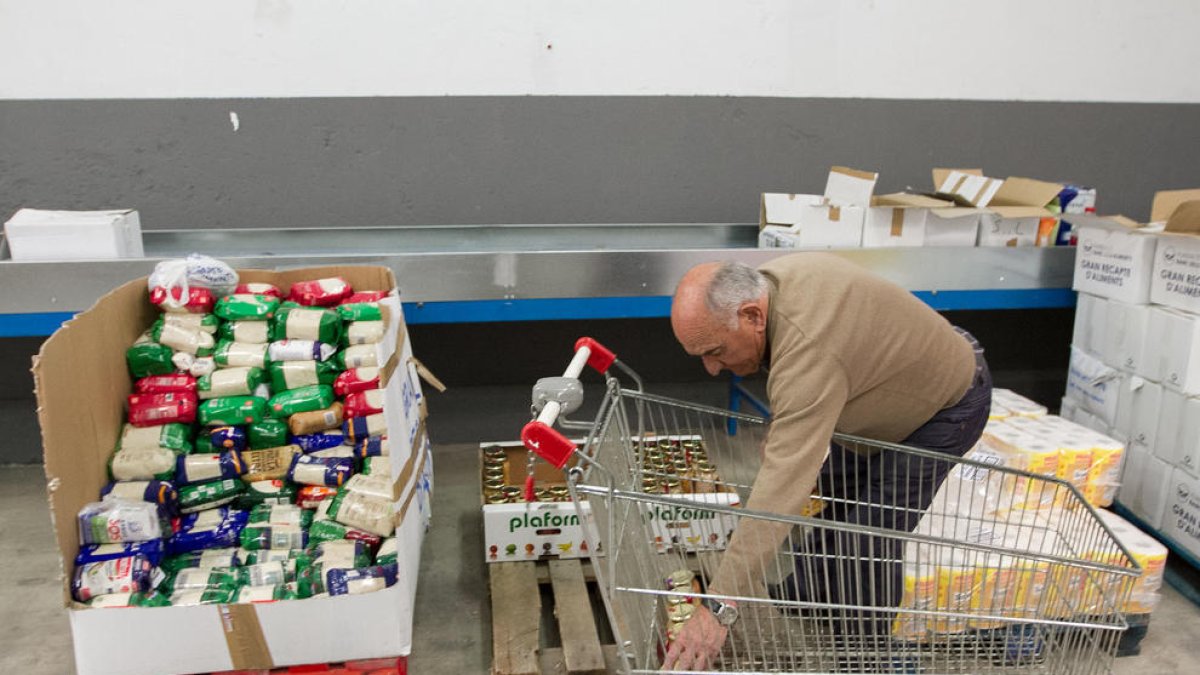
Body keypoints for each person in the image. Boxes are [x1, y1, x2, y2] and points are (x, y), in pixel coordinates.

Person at [662, 253, 992, 671]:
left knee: (867, 537)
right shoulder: (771, 286)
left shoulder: (809, 348)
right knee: (834, 488)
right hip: (882, 385)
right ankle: (812, 589)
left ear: (751, 316)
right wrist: (789, 422)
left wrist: (720, 605)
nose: (712, 369)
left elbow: (778, 493)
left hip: (944, 404)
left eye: (714, 351)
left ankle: (863, 659)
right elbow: (810, 373)